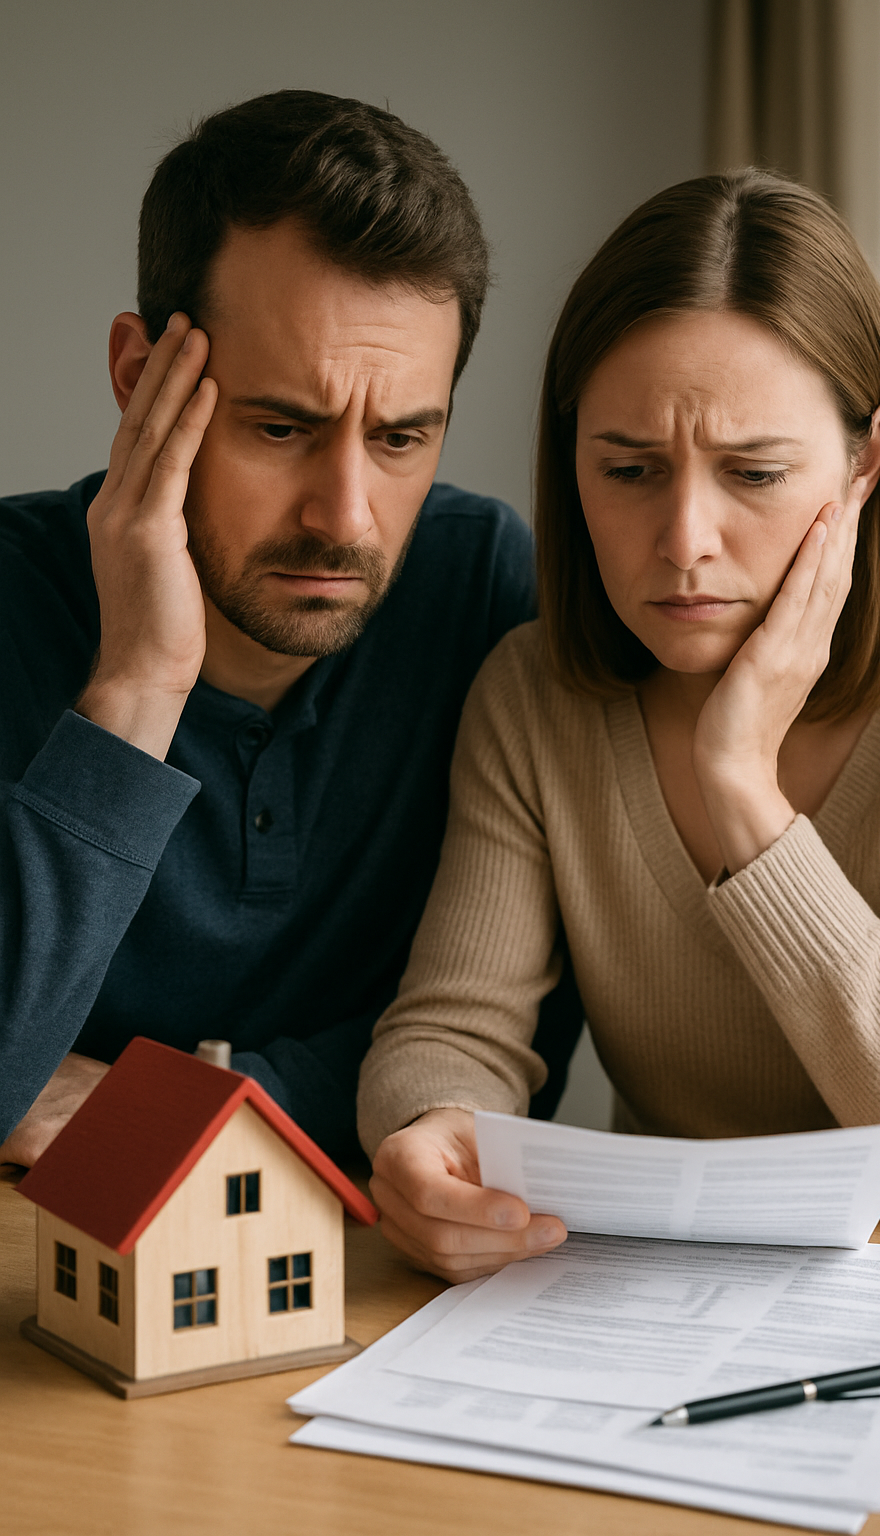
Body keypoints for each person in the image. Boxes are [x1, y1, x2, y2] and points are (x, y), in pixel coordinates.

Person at [360, 168, 880, 1281]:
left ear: (864, 461)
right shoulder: (535, 697)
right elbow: (452, 1032)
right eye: (627, 469)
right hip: (641, 1296)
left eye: (754, 473)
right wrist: (427, 1131)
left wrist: (742, 788)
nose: (682, 540)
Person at [0, 90, 581, 1168]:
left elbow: (502, 1059)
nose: (345, 518)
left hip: (368, 1286)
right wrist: (135, 685)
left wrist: (159, 1107)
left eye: (403, 437)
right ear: (141, 378)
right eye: (281, 427)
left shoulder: (480, 589)